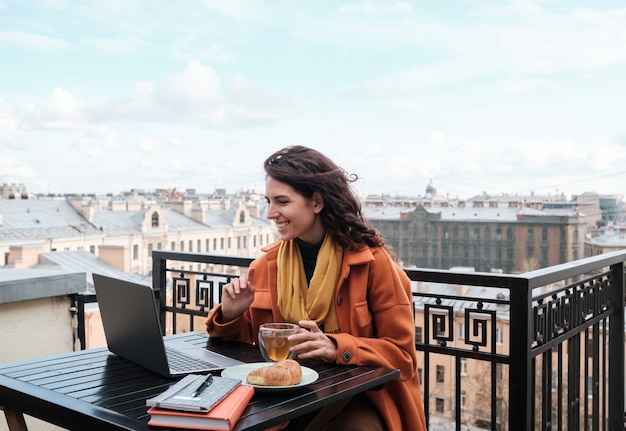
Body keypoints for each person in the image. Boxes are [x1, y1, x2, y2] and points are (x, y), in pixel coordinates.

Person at [205, 145, 427, 431]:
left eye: (282, 201)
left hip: (358, 396)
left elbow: (403, 357)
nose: (271, 213)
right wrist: (230, 315)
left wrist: (336, 346)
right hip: (286, 397)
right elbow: (244, 352)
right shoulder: (265, 266)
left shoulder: (372, 263)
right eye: (268, 201)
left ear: (317, 202)